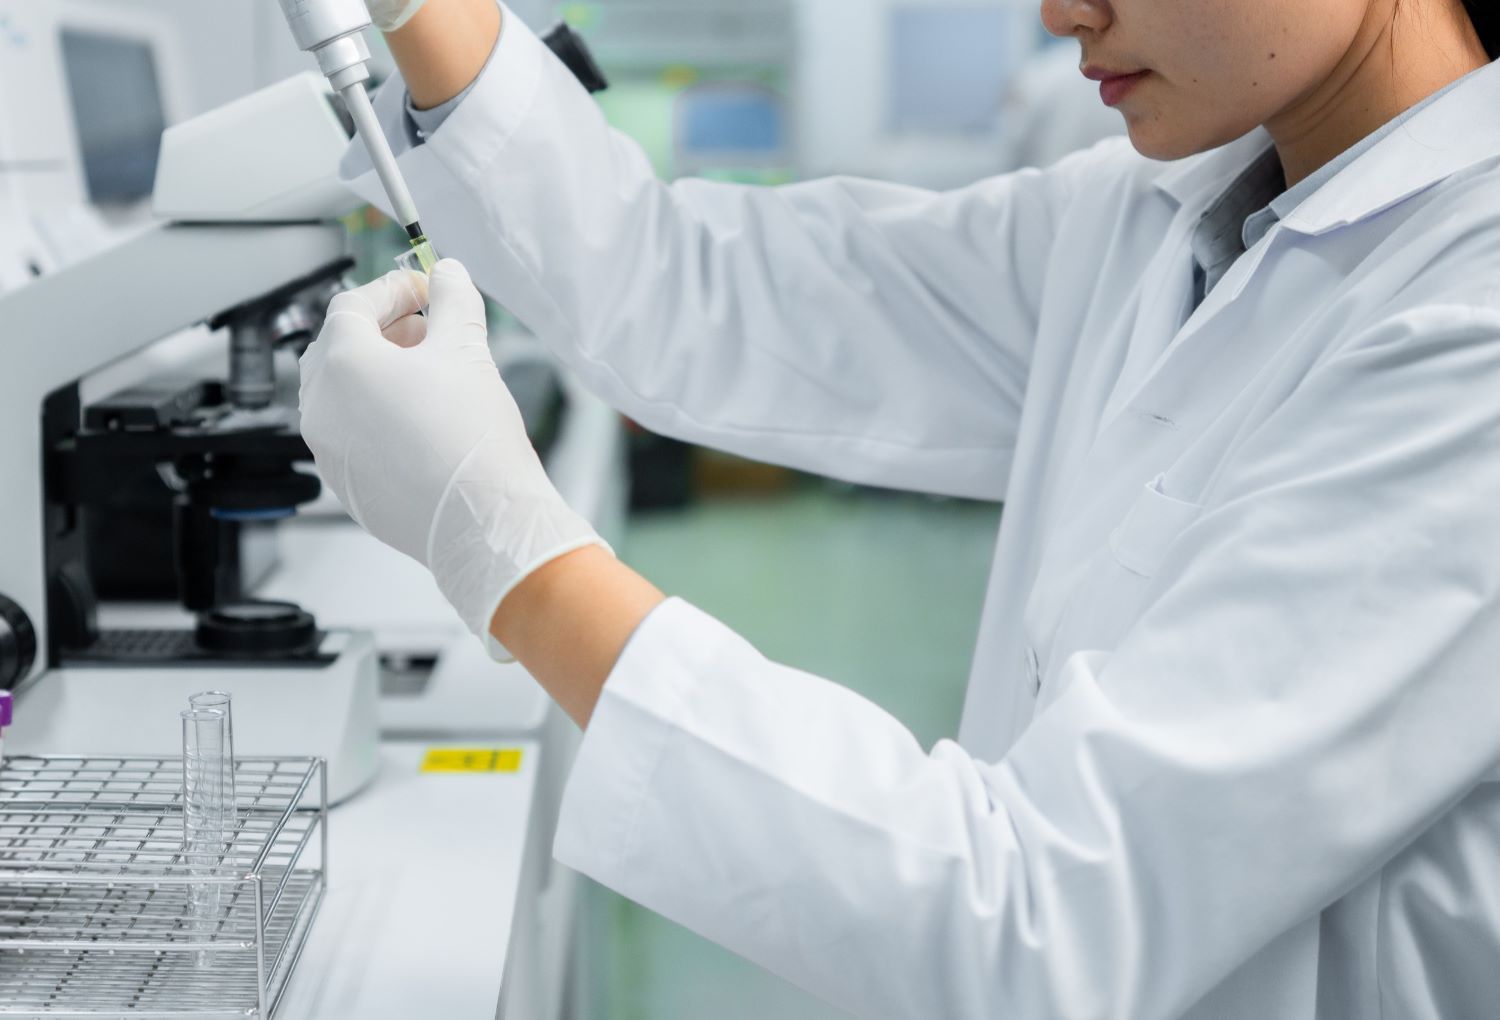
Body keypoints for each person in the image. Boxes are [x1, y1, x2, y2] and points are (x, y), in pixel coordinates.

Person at [298, 0, 1500, 1015]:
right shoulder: (1153, 212)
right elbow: (692, 289)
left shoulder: (1471, 326)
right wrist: (420, 13)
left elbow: (1040, 918)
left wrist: (507, 549)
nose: (1057, 12)